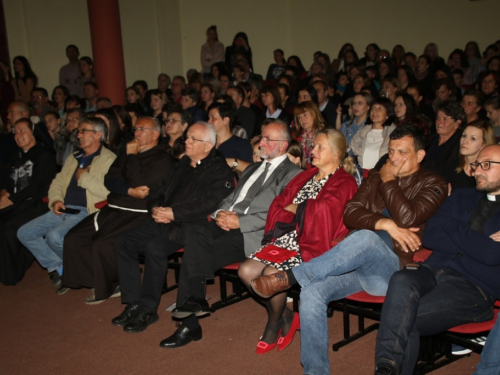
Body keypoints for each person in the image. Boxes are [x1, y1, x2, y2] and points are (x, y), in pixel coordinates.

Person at [251, 125, 448, 375]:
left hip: (392, 270)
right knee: (312, 292)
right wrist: (386, 223)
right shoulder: (376, 176)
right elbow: (351, 213)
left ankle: (291, 276)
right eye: (391, 151)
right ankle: (315, 371)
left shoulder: (433, 183)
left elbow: (408, 217)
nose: (394, 158)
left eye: (402, 152)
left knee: (365, 238)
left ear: (420, 156)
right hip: (356, 262)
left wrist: (389, 181)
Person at [162, 121, 302, 348]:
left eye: (268, 139)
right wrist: (220, 213)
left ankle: (189, 325)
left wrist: (241, 222)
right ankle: (196, 300)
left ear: (284, 145)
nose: (261, 143)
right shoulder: (253, 168)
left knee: (194, 255)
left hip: (252, 234)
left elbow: (282, 216)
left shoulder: (294, 175)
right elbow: (231, 198)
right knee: (194, 229)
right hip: (226, 224)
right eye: (261, 138)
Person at [374, 144, 500, 375]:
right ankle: (387, 367)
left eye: (486, 165)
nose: (477, 171)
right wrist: (479, 240)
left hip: (474, 288)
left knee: (402, 317)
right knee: (402, 279)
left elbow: (492, 256)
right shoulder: (462, 195)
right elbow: (431, 236)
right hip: (433, 269)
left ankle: (385, 369)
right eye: (475, 165)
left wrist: (452, 226)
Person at [238, 129, 358, 354]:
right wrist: (296, 210)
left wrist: (299, 209)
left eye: (320, 147)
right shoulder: (306, 175)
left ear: (337, 153)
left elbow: (328, 213)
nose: (313, 151)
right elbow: (279, 203)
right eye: (314, 146)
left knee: (270, 275)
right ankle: (287, 315)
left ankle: (273, 325)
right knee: (245, 271)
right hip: (288, 236)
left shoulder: (345, 181)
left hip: (314, 241)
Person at [111, 122, 234, 334]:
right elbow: (159, 189)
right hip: (163, 218)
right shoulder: (184, 162)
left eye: (193, 139)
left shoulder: (218, 170)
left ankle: (148, 309)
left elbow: (209, 204)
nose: (186, 141)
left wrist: (173, 213)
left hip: (188, 226)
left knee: (154, 248)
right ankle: (133, 301)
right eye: (187, 137)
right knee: (123, 242)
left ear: (207, 146)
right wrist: (156, 208)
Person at [62, 117, 174, 304]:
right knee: (73, 238)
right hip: (113, 208)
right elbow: (110, 179)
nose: (136, 133)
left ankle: (112, 284)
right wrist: (128, 190)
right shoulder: (126, 152)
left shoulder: (163, 159)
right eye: (135, 129)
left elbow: (140, 183)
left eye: (141, 129)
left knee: (101, 243)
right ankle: (94, 278)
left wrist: (131, 157)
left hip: (138, 214)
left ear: (155, 134)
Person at [17, 116, 116, 294]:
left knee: (54, 237)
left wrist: (83, 178)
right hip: (63, 208)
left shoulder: (108, 159)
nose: (79, 135)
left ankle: (88, 274)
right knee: (25, 233)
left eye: (84, 131)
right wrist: (56, 200)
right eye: (79, 131)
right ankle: (60, 267)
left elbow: (110, 193)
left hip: (88, 210)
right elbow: (57, 182)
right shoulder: (74, 157)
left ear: (98, 135)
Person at [0, 118, 57, 285]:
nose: (17, 135)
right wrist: (4, 193)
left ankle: (11, 273)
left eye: (22, 131)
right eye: (15, 132)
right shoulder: (16, 155)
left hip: (38, 203)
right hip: (18, 201)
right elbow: (9, 182)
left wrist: (10, 199)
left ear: (33, 133)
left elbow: (38, 187)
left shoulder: (44, 154)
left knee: (8, 228)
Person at [445, 120, 495, 191]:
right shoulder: (451, 166)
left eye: (473, 138)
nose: (465, 141)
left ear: (483, 144)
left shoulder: (488, 173)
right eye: (464, 136)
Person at [350, 97, 397, 169]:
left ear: (388, 114)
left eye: (380, 109)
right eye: (373, 108)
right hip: (360, 174)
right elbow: (351, 151)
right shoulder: (361, 132)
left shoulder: (393, 134)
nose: (375, 111)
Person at [423, 100, 466, 177]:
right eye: (438, 118)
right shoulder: (431, 139)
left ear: (457, 124)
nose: (439, 122)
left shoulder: (460, 145)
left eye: (444, 119)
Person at [293, 101, 326, 166]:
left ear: (314, 114)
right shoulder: (297, 138)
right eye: (299, 117)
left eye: (305, 115)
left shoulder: (325, 135)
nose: (302, 119)